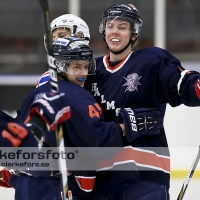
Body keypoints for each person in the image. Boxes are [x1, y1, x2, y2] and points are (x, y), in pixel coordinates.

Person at [84, 3, 200, 200]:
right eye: (111, 26)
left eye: (122, 27)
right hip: (103, 178)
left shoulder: (151, 62)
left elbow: (185, 84)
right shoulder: (91, 71)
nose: (115, 32)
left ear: (134, 34)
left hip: (145, 174)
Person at [1, 37, 128, 200]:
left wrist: (14, 174)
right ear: (60, 66)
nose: (82, 73)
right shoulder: (76, 96)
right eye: (76, 67)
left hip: (26, 185)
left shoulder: (34, 94)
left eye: (85, 66)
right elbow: (99, 141)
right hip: (55, 187)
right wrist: (129, 126)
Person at [36, 13, 90, 88]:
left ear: (80, 36)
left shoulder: (97, 73)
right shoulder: (47, 79)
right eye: (53, 38)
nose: (55, 42)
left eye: (62, 36)